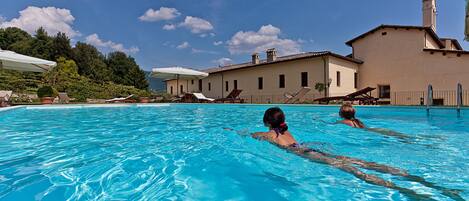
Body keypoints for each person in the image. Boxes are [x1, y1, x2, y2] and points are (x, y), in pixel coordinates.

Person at [250, 107, 462, 201]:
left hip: (307, 154)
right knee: (361, 162)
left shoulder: (269, 135)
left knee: (353, 171)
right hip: (311, 148)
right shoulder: (288, 131)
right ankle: (411, 178)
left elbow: (254, 135)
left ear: (268, 122)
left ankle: (403, 190)